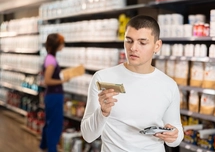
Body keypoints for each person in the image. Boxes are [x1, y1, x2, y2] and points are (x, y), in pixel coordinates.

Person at [81, 15, 184, 152]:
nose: (133, 48)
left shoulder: (168, 85)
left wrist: (173, 136)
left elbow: (176, 136)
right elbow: (88, 135)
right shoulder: (103, 78)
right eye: (129, 41)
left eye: (142, 42)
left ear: (157, 45)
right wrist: (103, 112)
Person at [39, 33, 68, 152]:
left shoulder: (50, 58)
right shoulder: (51, 60)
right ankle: (52, 149)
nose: (63, 45)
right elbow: (47, 80)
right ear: (57, 45)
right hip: (54, 96)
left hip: (51, 96)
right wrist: (63, 80)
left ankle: (43, 146)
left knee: (49, 122)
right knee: (55, 125)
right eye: (62, 43)